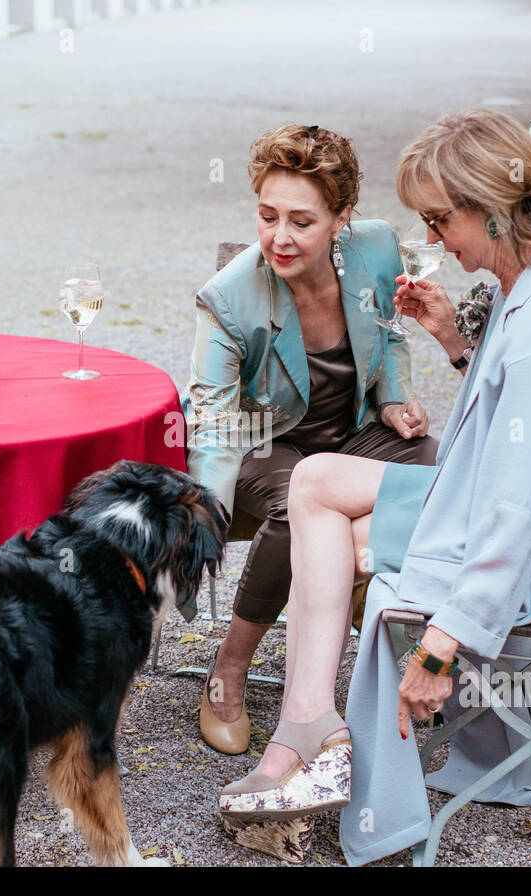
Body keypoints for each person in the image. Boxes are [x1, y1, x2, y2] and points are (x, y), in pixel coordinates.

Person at [216, 108, 531, 866]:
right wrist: (451, 340)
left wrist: (442, 646)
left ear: (495, 209)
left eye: (441, 220)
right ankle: (310, 721)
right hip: (481, 496)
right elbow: (523, 428)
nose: (435, 240)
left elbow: (524, 505)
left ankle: (302, 739)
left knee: (328, 524)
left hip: (528, 544)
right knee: (313, 479)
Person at [181, 123, 439, 756]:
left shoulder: (378, 249)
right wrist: (201, 525)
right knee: (294, 505)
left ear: (342, 219)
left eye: (302, 220)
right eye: (267, 216)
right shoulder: (228, 297)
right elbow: (212, 423)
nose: (279, 237)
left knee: (436, 472)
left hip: (356, 435)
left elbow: (393, 333)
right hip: (267, 445)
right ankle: (230, 669)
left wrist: (394, 399)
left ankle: (396, 635)